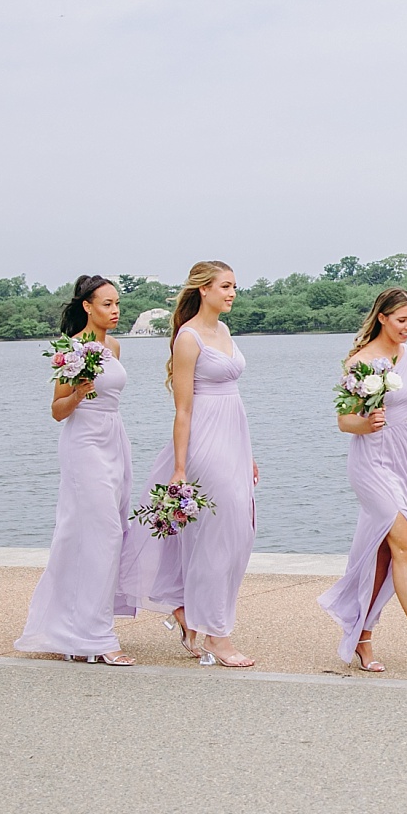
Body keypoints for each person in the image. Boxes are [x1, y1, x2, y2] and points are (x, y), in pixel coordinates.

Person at [319, 288, 407, 676]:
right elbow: (343, 421)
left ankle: (362, 636)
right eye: (402, 320)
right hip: (370, 463)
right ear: (382, 317)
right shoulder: (360, 363)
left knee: (382, 554)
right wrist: (365, 423)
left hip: (402, 462)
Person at [128, 261, 259, 667]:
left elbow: (234, 399)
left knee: (240, 534)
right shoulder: (188, 339)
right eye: (225, 286)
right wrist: (180, 468)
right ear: (203, 289)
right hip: (204, 442)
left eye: (234, 286)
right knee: (217, 538)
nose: (232, 293)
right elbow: (182, 410)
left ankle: (190, 616)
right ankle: (218, 635)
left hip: (234, 439)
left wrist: (248, 453)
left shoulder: (223, 331)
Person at [15, 276, 136, 665]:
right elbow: (57, 411)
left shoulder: (113, 346)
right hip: (83, 444)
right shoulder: (70, 349)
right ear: (87, 306)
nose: (114, 311)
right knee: (99, 533)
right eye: (106, 304)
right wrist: (80, 391)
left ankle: (75, 625)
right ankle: (96, 637)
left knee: (109, 532)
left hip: (114, 439)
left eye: (117, 303)